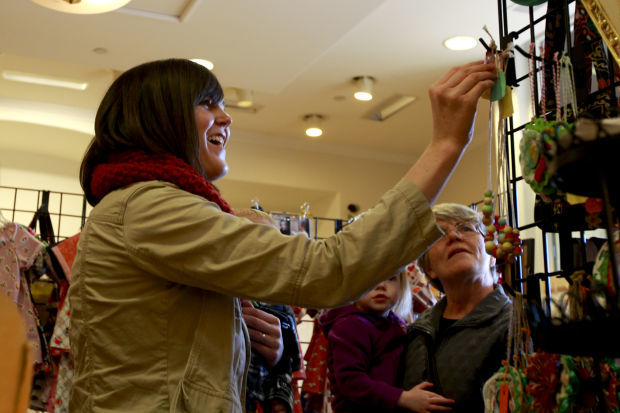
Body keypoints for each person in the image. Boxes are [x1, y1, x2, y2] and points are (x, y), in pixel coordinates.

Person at [67, 58, 496, 412]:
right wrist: (445, 145)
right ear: (159, 118)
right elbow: (324, 270)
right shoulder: (150, 207)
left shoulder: (144, 206)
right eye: (207, 103)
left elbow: (158, 356)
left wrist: (246, 344)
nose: (226, 116)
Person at [401, 203, 512, 412]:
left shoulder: (516, 326)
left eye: (466, 228)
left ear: (491, 256)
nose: (454, 236)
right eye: (439, 234)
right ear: (429, 269)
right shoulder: (414, 333)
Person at [319, 269, 455, 413]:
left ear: (401, 286)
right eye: (370, 278)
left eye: (391, 278)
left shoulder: (395, 324)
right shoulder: (350, 326)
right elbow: (351, 382)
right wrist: (403, 398)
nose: (381, 285)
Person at [236, 208, 303, 413]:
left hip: (253, 401)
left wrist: (280, 400)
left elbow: (285, 367)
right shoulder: (214, 296)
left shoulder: (280, 306)